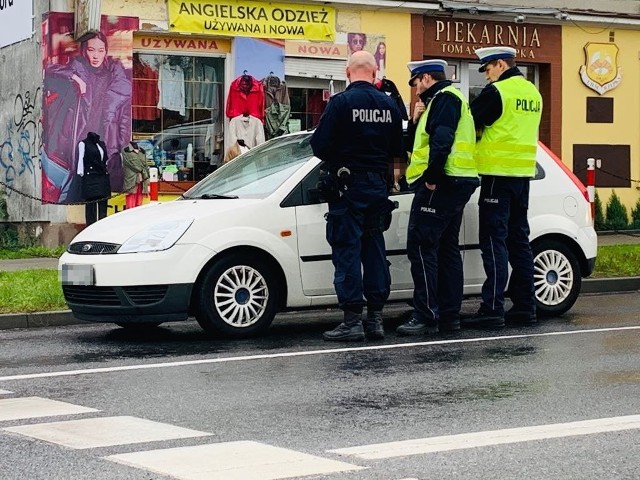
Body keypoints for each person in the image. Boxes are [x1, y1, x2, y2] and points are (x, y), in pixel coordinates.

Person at [310, 51, 404, 342]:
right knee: (374, 249)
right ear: (375, 73)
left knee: (347, 251)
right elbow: (398, 150)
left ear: (347, 72)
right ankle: (375, 319)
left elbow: (320, 146)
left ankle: (352, 320)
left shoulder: (341, 103)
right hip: (377, 187)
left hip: (347, 189)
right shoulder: (388, 105)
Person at [394, 60, 479, 336]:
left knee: (420, 246)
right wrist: (415, 120)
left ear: (427, 78)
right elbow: (412, 145)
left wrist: (431, 178)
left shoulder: (444, 100)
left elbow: (442, 140)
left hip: (441, 183)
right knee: (446, 248)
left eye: (416, 82)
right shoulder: (441, 102)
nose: (415, 89)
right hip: (455, 182)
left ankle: (426, 313)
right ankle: (448, 312)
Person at [462, 46, 543, 329]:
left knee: (494, 242)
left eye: (486, 69)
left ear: (500, 64)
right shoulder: (533, 92)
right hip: (522, 176)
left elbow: (469, 123)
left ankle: (492, 308)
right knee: (519, 242)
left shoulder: (498, 92)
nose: (485, 76)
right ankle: (525, 306)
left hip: (497, 176)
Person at [43, 31, 131, 204]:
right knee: (73, 194)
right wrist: (74, 78)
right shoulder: (77, 69)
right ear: (85, 51)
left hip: (105, 145)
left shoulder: (117, 79)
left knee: (102, 196)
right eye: (91, 50)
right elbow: (48, 73)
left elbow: (124, 122)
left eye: (100, 50)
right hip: (77, 143)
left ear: (106, 51)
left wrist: (120, 151)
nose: (96, 55)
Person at [77, 132, 110, 225]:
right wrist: (81, 173)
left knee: (103, 204)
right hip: (90, 177)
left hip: (102, 176)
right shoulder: (83, 144)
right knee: (91, 206)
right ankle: (90, 228)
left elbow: (105, 159)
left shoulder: (102, 144)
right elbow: (81, 159)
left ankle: (103, 226)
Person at [122, 142, 150, 209]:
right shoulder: (126, 151)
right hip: (131, 179)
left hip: (142, 179)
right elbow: (128, 164)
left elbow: (146, 165)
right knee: (131, 197)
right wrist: (140, 169)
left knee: (140, 197)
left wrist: (147, 175)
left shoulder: (142, 151)